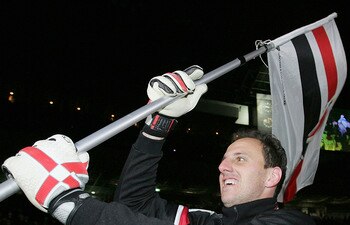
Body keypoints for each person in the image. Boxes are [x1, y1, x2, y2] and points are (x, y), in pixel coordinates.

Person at [1, 65, 315, 225]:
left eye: (240, 159)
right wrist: (159, 122)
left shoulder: (291, 222)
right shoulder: (208, 219)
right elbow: (133, 205)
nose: (222, 166)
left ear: (271, 177)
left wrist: (68, 202)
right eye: (224, 158)